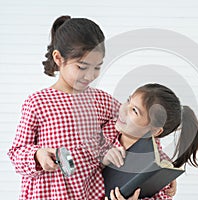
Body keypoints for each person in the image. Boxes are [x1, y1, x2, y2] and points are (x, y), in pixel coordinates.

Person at [7, 16, 176, 200]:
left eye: (97, 67)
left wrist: (161, 170)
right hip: (47, 193)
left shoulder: (101, 101)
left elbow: (140, 129)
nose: (90, 75)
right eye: (82, 67)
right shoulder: (37, 103)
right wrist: (38, 155)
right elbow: (17, 153)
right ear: (58, 58)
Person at [102, 83, 198, 200]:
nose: (123, 109)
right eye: (128, 101)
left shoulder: (157, 168)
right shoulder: (108, 125)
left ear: (154, 131)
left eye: (134, 111)